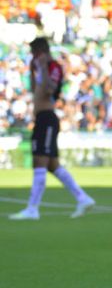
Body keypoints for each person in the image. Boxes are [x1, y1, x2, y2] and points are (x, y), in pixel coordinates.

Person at [9, 37, 95, 220]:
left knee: (39, 162)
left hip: (48, 118)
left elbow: (49, 90)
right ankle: (83, 198)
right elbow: (35, 90)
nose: (32, 56)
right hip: (42, 117)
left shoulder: (53, 66)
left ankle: (32, 209)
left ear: (41, 51)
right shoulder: (40, 67)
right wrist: (34, 70)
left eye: (34, 52)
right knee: (52, 165)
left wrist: (42, 68)